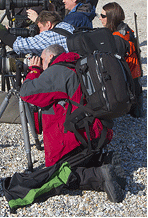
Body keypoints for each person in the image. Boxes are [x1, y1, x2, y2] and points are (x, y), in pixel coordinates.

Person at [19, 44, 125, 203]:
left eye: (41, 59)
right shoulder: (78, 64)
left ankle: (99, 176)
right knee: (70, 162)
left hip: (72, 140)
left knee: (55, 174)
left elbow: (26, 92)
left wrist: (34, 70)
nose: (40, 63)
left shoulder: (57, 72)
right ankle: (102, 159)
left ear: (49, 57)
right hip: (93, 134)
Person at [99, 2, 143, 118]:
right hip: (135, 70)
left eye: (103, 16)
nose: (100, 18)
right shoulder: (125, 28)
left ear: (111, 18)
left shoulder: (118, 37)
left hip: (129, 73)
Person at [0, 10, 75, 56]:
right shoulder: (66, 25)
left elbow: (18, 45)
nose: (39, 32)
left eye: (40, 28)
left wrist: (0, 31)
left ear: (48, 24)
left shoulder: (49, 36)